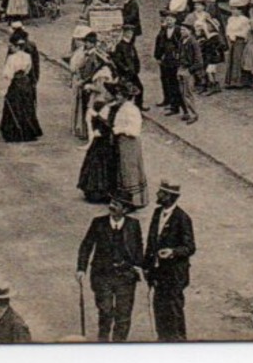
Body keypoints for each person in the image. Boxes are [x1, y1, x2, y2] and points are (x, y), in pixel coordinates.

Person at [76, 195, 145, 341]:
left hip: (126, 276)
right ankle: (103, 341)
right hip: (102, 275)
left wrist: (139, 266)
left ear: (125, 210)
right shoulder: (98, 223)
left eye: (117, 204)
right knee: (105, 311)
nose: (111, 206)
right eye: (112, 203)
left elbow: (139, 247)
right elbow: (86, 246)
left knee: (123, 315)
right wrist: (81, 269)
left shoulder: (134, 225)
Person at [144, 180, 196, 341]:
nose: (158, 195)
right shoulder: (157, 213)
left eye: (162, 193)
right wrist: (147, 266)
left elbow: (190, 247)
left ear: (170, 197)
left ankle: (178, 342)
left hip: (174, 275)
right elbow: (151, 241)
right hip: (158, 273)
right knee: (159, 307)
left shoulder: (183, 218)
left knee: (173, 310)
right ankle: (162, 340)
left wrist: (173, 252)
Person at [0, 33, 43, 143]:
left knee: (15, 107)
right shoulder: (27, 56)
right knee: (26, 106)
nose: (11, 49)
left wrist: (4, 89)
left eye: (12, 47)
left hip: (15, 83)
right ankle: (29, 131)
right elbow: (28, 69)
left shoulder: (11, 58)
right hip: (25, 82)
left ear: (17, 47)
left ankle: (15, 133)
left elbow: (8, 74)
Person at [111, 84, 148, 209]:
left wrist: (119, 130)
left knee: (130, 169)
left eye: (119, 94)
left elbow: (134, 130)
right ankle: (125, 198)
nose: (116, 96)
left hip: (129, 142)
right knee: (124, 169)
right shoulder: (123, 107)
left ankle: (133, 201)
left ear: (125, 96)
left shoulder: (131, 110)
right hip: (123, 142)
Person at [77, 94, 119, 204]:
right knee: (99, 164)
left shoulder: (110, 107)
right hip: (102, 141)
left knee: (100, 164)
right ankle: (97, 191)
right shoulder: (107, 106)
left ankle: (99, 191)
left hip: (103, 140)